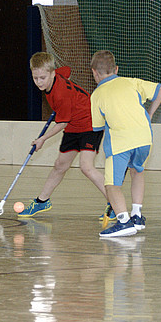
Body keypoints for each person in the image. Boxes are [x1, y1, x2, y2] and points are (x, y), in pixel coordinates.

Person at [18, 52, 109, 217]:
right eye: (35, 77)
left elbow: (62, 123)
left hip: (90, 124)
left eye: (42, 78)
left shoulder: (61, 94)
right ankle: (42, 201)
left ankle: (114, 204)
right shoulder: (54, 75)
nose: (39, 82)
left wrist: (42, 139)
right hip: (74, 126)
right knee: (60, 165)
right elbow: (66, 71)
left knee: (86, 167)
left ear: (52, 73)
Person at [89, 50, 161, 237]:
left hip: (120, 144)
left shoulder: (97, 95)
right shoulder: (131, 82)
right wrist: (150, 114)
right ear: (116, 69)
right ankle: (137, 215)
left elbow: (97, 127)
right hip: (145, 138)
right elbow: (160, 89)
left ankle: (124, 221)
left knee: (111, 185)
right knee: (137, 171)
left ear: (94, 73)